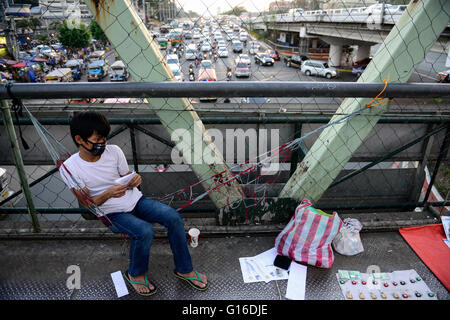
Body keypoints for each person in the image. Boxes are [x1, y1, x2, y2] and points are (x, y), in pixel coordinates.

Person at [59, 111, 208, 296]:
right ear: (80, 139)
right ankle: (135, 274)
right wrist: (107, 193)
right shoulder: (70, 168)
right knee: (144, 231)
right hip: (110, 212)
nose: (103, 143)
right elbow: (88, 205)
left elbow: (124, 177)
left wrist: (133, 180)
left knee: (173, 217)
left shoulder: (114, 151)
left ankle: (184, 268)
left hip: (135, 200)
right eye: (97, 138)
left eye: (105, 137)